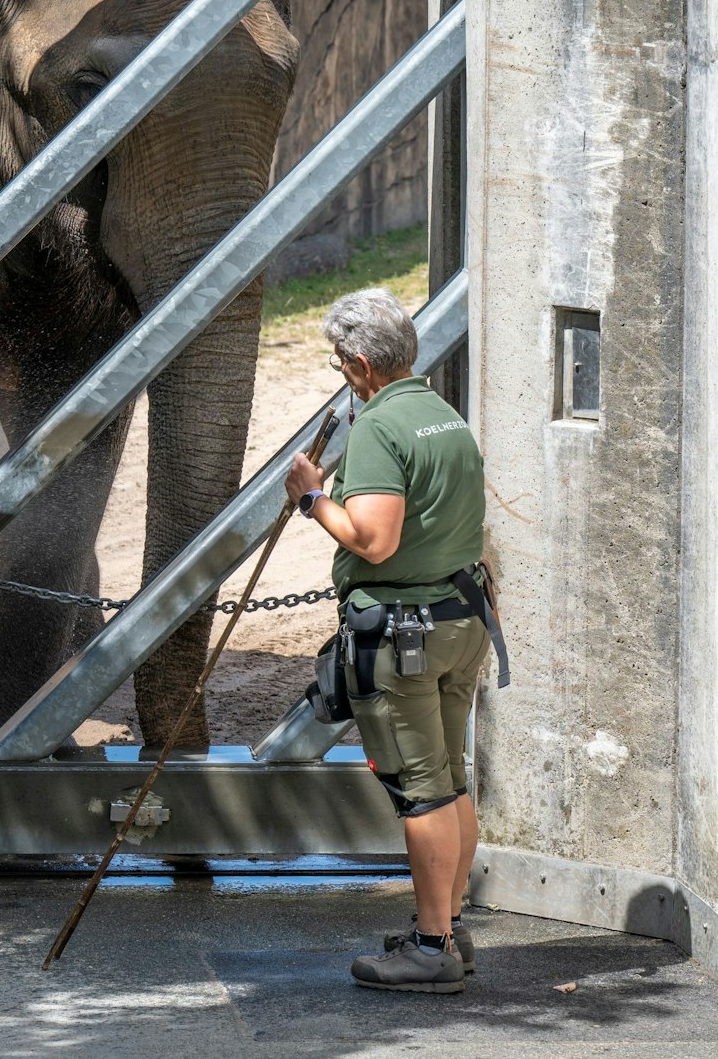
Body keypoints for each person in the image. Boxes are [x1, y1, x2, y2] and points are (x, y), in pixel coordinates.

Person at [285, 288, 496, 994]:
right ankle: (449, 924)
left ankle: (431, 949)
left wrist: (314, 497)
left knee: (422, 793)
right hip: (462, 623)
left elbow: (375, 540)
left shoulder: (378, 428)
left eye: (343, 360)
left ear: (364, 361)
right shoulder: (443, 415)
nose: (343, 371)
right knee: (451, 780)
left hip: (406, 635)